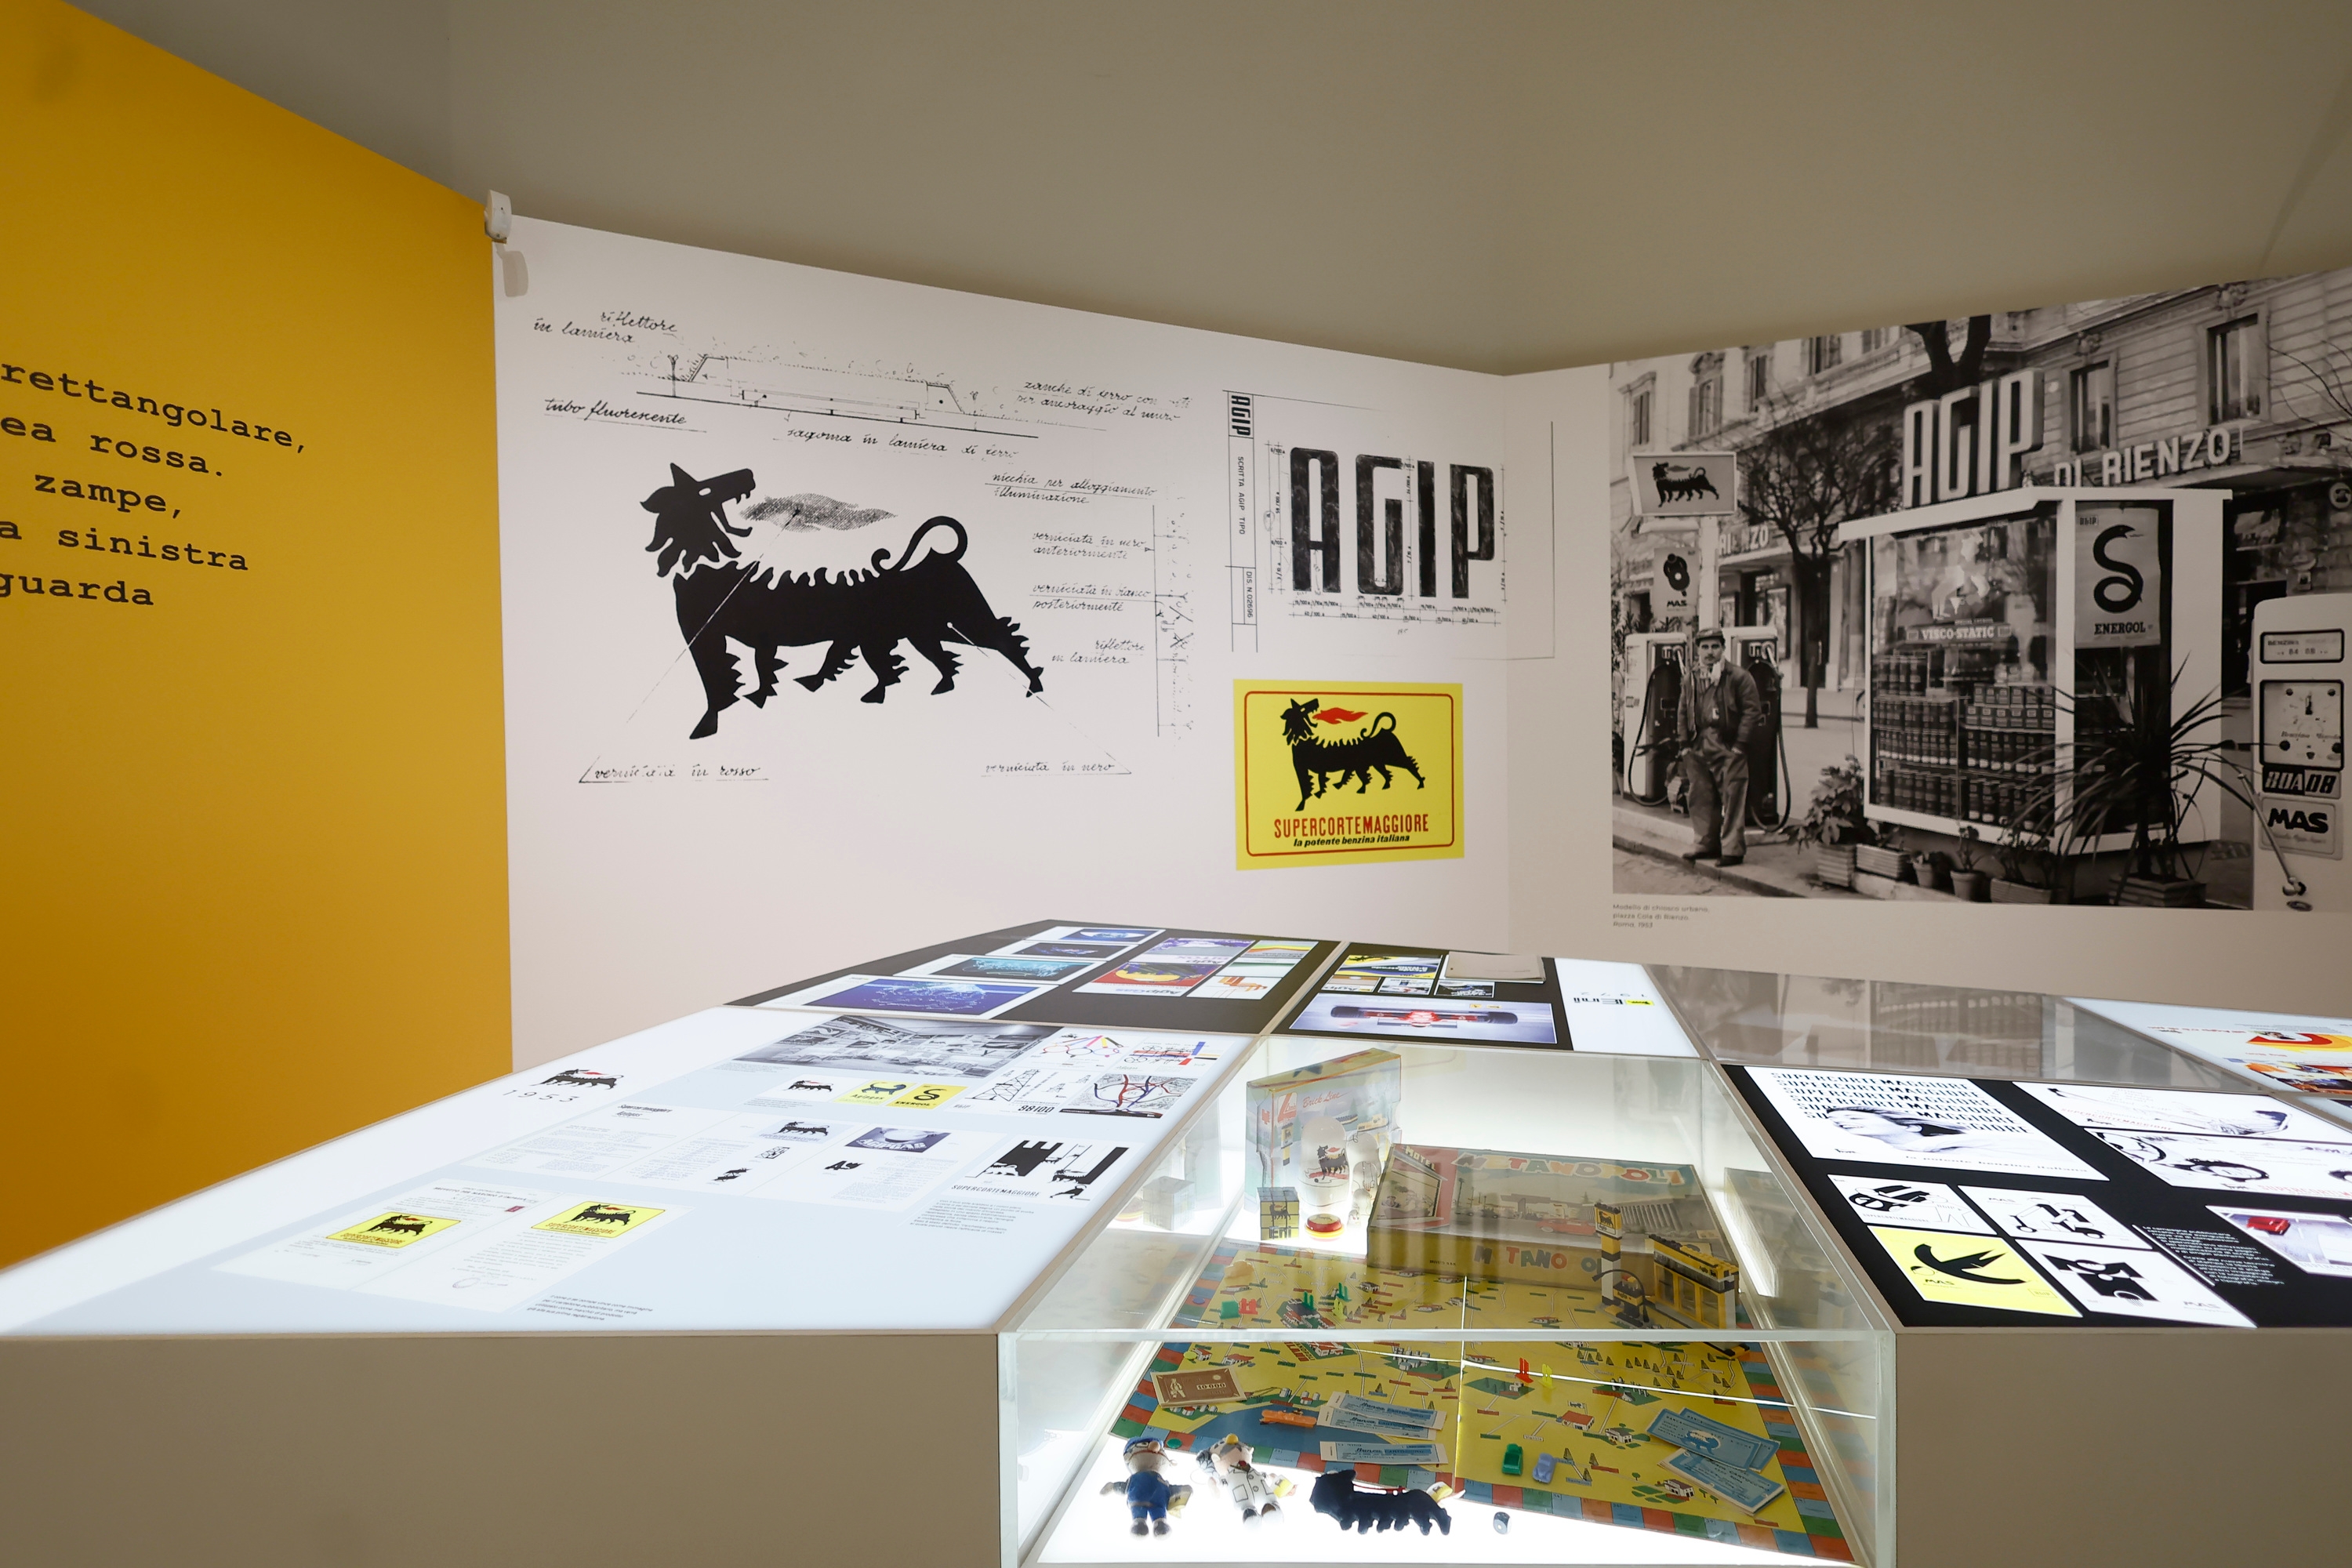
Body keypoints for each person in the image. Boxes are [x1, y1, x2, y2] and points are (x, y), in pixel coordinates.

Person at [1677, 627, 1762, 866]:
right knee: (1700, 796)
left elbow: (1752, 711)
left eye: (1715, 646)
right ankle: (1706, 843)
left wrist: (1740, 745)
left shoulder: (1738, 676)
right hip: (1698, 742)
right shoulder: (1691, 677)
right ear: (1698, 650)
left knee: (1733, 796)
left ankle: (1732, 850)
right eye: (1705, 647)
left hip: (1727, 743)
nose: (1710, 652)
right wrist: (1684, 744)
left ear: (1723, 648)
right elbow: (1682, 710)